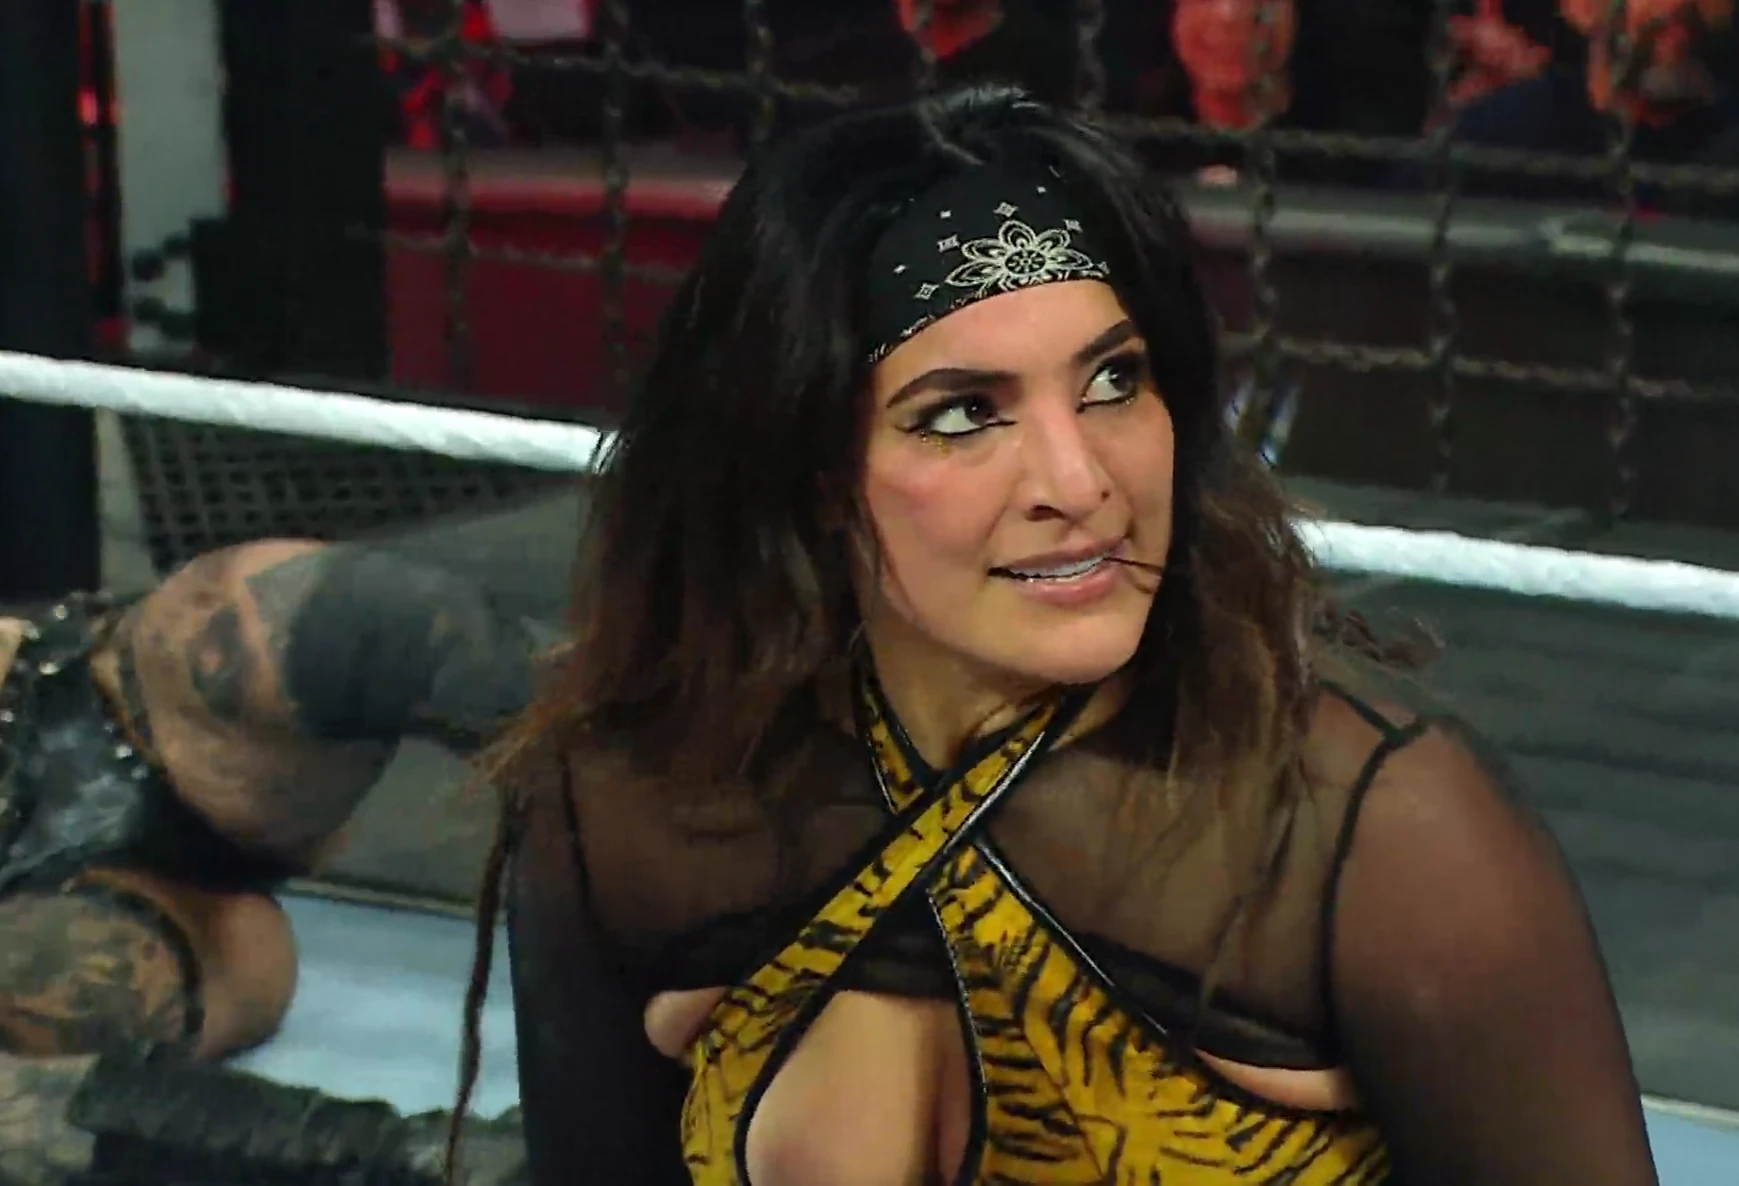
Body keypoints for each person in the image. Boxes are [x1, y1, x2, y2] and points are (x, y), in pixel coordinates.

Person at [473, 84, 1660, 1185]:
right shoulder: (629, 805)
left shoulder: (1384, 845)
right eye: (962, 413)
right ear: (807, 466)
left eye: (1111, 382)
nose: (1078, 480)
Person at [0, 539, 543, 1184]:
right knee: (60, 1004)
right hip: (106, 912)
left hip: (84, 693)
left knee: (328, 620)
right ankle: (441, 1161)